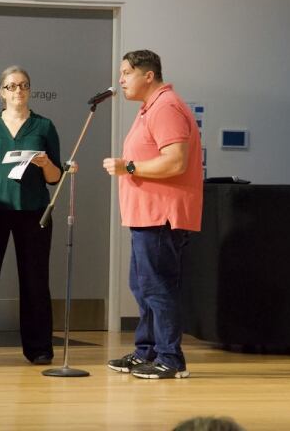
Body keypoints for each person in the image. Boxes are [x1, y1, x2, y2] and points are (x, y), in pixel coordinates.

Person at [103, 49, 203, 379]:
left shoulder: (166, 107)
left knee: (158, 287)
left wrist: (128, 166)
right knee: (142, 286)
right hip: (145, 215)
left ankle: (170, 358)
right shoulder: (151, 107)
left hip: (162, 216)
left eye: (127, 73)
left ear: (148, 75)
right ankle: (146, 351)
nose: (120, 80)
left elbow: (175, 161)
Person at [0, 65, 63, 365]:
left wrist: (45, 164)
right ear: (1, 92)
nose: (18, 91)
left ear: (30, 90)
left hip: (32, 213)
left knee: (34, 281)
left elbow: (56, 176)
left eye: (23, 85)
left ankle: (39, 349)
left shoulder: (44, 127)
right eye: (11, 86)